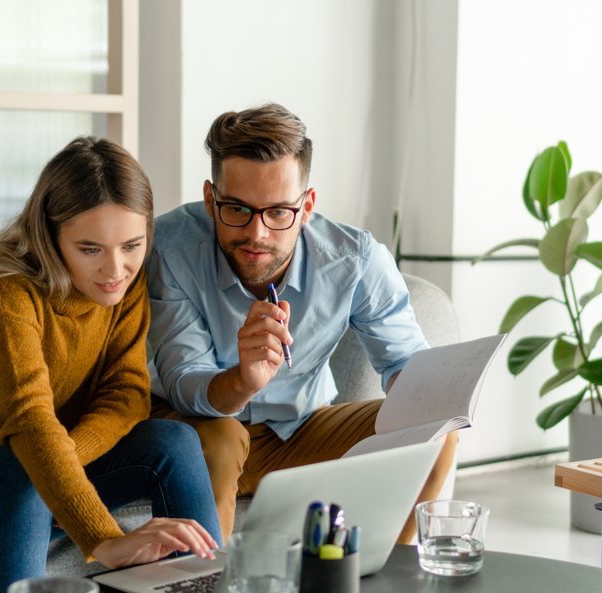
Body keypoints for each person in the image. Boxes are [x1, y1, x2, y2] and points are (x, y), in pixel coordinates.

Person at [0, 137, 221, 593]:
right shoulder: (2, 293)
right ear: (49, 235)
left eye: (132, 245)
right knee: (21, 458)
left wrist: (63, 464)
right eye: (90, 249)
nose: (115, 268)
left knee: (172, 439)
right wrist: (104, 538)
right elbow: (30, 423)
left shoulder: (122, 287)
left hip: (24, 490)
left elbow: (127, 393)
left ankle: (211, 586)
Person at [146, 103, 458, 541]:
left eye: (278, 212)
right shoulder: (170, 248)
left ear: (307, 205)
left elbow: (407, 363)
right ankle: (205, 585)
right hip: (199, 426)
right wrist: (244, 379)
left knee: (435, 435)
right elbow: (183, 380)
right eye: (236, 209)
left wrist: (433, 394)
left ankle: (389, 577)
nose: (257, 234)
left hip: (299, 429)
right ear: (210, 199)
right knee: (220, 441)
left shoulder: (355, 259)